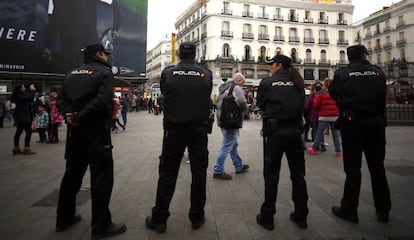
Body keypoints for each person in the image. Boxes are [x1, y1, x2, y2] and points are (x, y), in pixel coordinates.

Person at [56, 43, 126, 238]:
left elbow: (61, 100)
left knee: (72, 174)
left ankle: (64, 217)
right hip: (96, 131)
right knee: (101, 177)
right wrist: (81, 115)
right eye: (105, 54)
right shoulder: (103, 73)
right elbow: (103, 100)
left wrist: (70, 115)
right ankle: (101, 225)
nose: (107, 57)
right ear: (98, 54)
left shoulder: (71, 73)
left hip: (75, 132)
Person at [145, 42, 212, 233]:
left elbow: (166, 94)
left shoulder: (168, 73)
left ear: (179, 54)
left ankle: (159, 219)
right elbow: (205, 96)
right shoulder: (206, 74)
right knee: (199, 174)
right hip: (198, 131)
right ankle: (197, 217)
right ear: (196, 54)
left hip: (174, 131)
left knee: (167, 174)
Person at [328, 45, 391, 223]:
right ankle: (383, 209)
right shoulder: (377, 72)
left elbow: (334, 94)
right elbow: (382, 93)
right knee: (377, 167)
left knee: (353, 169)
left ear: (349, 57)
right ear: (365, 55)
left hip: (352, 123)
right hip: (376, 123)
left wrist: (347, 104)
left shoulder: (342, 74)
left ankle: (350, 209)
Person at [256, 54, 309, 230]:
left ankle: (267, 217)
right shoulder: (299, 83)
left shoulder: (267, 83)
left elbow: (261, 105)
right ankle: (301, 215)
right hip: (294, 132)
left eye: (272, 65)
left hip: (275, 133)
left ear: (279, 66)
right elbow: (302, 106)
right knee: (298, 175)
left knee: (271, 175)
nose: (270, 67)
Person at [213, 73, 249, 180]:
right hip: (232, 121)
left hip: (223, 120)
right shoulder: (236, 88)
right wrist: (246, 108)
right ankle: (218, 170)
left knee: (233, 144)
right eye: (242, 82)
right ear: (238, 80)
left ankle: (238, 165)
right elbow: (242, 103)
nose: (243, 85)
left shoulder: (223, 88)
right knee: (227, 144)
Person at [307, 78, 342, 157]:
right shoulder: (336, 93)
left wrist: (319, 110)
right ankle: (338, 151)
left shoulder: (320, 93)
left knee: (319, 133)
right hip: (334, 116)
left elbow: (316, 104)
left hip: (324, 115)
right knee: (335, 133)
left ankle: (314, 149)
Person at [11, 84, 37, 155]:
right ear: (19, 89)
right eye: (23, 87)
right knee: (28, 132)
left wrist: (37, 103)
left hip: (20, 117)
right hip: (24, 117)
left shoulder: (19, 95)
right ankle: (26, 148)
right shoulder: (18, 95)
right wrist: (32, 90)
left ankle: (16, 148)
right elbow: (29, 97)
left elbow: (29, 101)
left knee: (18, 131)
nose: (25, 88)